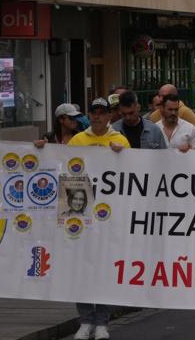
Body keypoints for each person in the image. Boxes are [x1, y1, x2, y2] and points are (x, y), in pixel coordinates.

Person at [68, 99, 126, 340]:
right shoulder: (77, 140)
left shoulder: (121, 141)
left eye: (103, 113)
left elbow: (131, 175)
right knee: (81, 268)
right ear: (89, 115)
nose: (98, 117)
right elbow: (64, 167)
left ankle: (102, 322)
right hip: (80, 207)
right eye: (94, 112)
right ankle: (85, 320)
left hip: (108, 211)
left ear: (109, 116)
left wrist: (121, 156)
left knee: (103, 268)